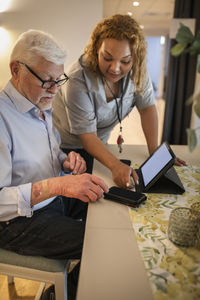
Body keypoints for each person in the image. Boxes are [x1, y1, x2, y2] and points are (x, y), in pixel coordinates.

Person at [0, 29, 108, 300]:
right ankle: (61, 294)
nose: (55, 90)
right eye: (47, 81)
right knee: (104, 244)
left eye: (58, 80)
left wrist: (65, 161)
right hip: (15, 222)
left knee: (110, 202)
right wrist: (59, 184)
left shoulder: (39, 101)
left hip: (52, 199)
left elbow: (51, 151)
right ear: (16, 70)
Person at [53, 14, 186, 189]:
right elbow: (87, 136)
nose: (115, 68)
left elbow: (146, 108)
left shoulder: (137, 70)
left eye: (125, 61)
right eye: (107, 58)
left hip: (99, 144)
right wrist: (115, 166)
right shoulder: (77, 79)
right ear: (95, 50)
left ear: (134, 57)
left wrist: (154, 153)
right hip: (67, 148)